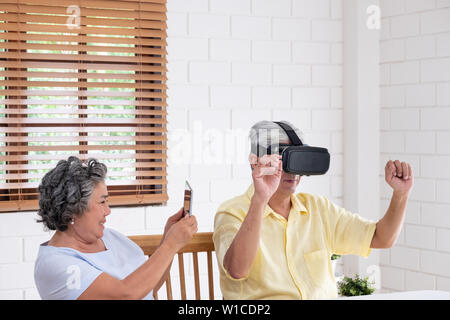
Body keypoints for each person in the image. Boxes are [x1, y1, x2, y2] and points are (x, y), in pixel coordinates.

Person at [213, 120, 414, 300]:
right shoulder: (232, 213)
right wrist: (260, 200)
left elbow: (382, 237)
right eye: (283, 157)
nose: (293, 169)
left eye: (297, 157)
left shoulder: (318, 208)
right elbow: (237, 270)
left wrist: (401, 195)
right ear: (256, 162)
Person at [34, 156, 198, 300]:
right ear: (74, 209)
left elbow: (147, 287)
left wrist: (167, 238)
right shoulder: (56, 265)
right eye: (102, 202)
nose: (108, 210)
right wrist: (170, 245)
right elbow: (125, 295)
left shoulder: (109, 237)